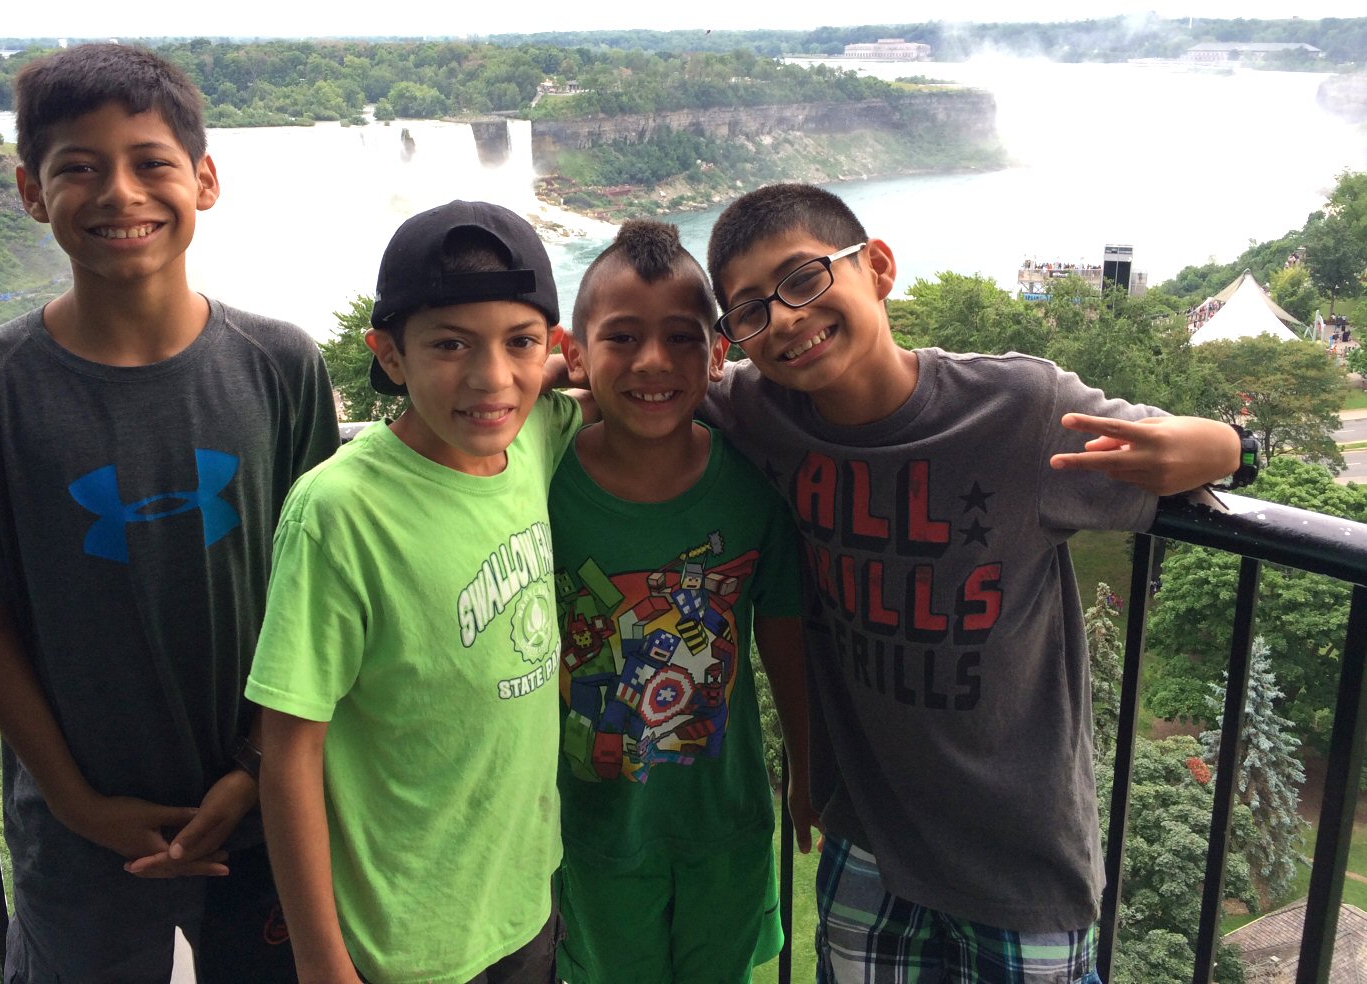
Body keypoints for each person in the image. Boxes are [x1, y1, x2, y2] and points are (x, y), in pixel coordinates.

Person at [699, 183, 1248, 982]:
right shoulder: (758, 413)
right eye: (749, 310)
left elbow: (1175, 446)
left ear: (877, 267)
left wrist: (1230, 444)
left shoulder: (1017, 410)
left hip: (1023, 860)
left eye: (804, 278)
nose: (782, 317)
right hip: (869, 838)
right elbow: (638, 396)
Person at [0, 44, 339, 982]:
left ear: (204, 180)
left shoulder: (280, 365)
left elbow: (318, 591)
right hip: (81, 837)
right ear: (29, 192)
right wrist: (78, 800)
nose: (119, 193)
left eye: (150, 162)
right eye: (77, 168)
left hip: (270, 807)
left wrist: (255, 767)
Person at [247, 200, 584, 984]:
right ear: (389, 355)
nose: (490, 378)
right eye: (449, 345)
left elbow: (623, 384)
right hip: (399, 942)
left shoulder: (533, 434)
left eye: (518, 343)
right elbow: (289, 751)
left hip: (523, 905)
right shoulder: (339, 513)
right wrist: (320, 962)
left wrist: (578, 359)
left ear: (551, 348)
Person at [550, 221, 814, 983]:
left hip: (722, 825)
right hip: (589, 830)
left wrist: (804, 768)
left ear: (719, 353)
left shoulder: (751, 483)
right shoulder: (540, 481)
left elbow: (782, 632)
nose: (652, 363)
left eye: (680, 338)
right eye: (622, 339)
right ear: (575, 351)